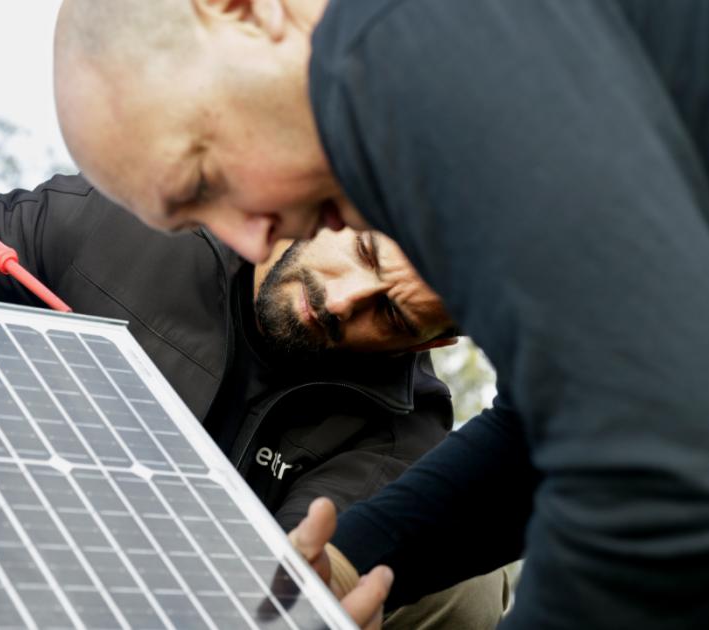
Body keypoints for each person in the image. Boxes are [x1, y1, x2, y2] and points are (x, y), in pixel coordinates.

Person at [51, 1, 709, 628]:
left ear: (242, 9)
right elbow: (547, 428)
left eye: (205, 179)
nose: (251, 243)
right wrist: (338, 566)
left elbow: (657, 468)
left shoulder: (410, 51)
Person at [0, 161, 508, 629]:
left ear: (428, 344)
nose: (338, 302)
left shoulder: (400, 440)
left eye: (388, 314)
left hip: (152, 611)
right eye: (361, 254)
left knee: (469, 593)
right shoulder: (114, 224)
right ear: (331, 203)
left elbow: (271, 601)